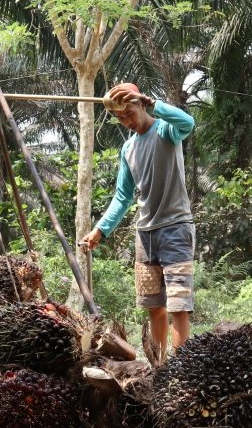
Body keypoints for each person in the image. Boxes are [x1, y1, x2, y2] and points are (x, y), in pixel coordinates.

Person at [82, 83, 195, 363]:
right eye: (120, 118)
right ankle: (159, 367)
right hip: (145, 236)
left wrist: (153, 102)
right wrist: (101, 229)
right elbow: (122, 196)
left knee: (178, 306)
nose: (127, 122)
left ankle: (181, 372)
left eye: (130, 113)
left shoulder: (167, 130)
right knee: (154, 308)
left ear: (142, 105)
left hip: (175, 229)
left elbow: (188, 123)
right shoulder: (128, 148)